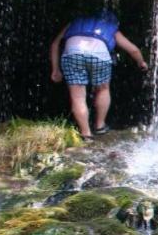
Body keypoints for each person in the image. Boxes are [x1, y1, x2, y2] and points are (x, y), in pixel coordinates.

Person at [49, 11, 148, 140]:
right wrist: (141, 62)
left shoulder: (74, 22)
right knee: (103, 89)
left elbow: (55, 44)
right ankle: (100, 125)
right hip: (99, 55)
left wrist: (55, 69)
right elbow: (133, 49)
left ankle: (86, 133)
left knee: (78, 96)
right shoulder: (110, 27)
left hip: (72, 54)